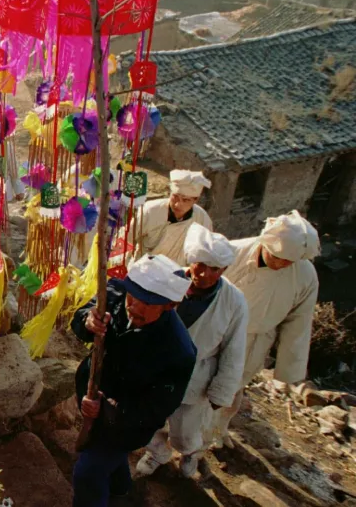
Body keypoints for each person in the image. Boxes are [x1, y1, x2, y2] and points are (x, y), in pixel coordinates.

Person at [71, 254, 197, 507]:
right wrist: (89, 321)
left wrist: (106, 408)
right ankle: (120, 489)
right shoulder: (115, 293)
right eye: (133, 297)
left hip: (125, 425)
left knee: (87, 473)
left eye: (147, 303)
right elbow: (80, 319)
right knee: (110, 461)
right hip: (92, 395)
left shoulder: (178, 351)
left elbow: (155, 408)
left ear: (169, 305)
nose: (134, 306)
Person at [136, 224, 248, 478]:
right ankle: (156, 453)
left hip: (196, 376)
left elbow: (234, 349)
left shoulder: (235, 301)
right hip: (158, 368)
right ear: (191, 260)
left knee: (187, 430)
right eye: (200, 265)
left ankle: (191, 454)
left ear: (224, 270)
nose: (205, 274)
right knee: (150, 418)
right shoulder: (167, 280)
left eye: (215, 269)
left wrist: (222, 390)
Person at [212, 210, 320, 448]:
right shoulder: (233, 252)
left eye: (289, 262)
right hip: (216, 330)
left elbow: (299, 321)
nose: (283, 265)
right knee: (202, 384)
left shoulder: (305, 274)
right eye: (278, 258)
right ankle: (188, 434)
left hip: (255, 340)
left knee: (233, 388)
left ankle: (218, 429)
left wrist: (289, 370)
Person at [129, 170, 213, 266]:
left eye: (186, 200)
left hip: (177, 274)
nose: (178, 204)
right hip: (143, 268)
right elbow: (126, 240)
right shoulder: (150, 210)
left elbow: (204, 254)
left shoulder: (202, 220)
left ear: (195, 200)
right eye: (175, 197)